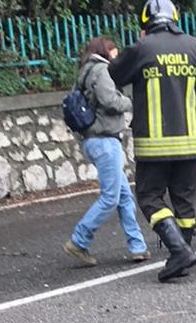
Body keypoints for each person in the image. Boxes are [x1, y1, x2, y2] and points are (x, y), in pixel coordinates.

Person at [110, 0, 196, 282]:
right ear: (175, 18)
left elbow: (114, 75)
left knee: (149, 197)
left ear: (145, 24)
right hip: (189, 144)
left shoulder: (142, 48)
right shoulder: (195, 47)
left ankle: (178, 250)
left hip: (153, 148)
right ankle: (181, 252)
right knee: (183, 200)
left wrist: (134, 49)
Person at [63, 36, 150, 267]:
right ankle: (79, 240)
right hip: (104, 140)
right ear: (105, 51)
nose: (117, 55)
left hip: (93, 140)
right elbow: (109, 100)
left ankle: (137, 246)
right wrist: (134, 102)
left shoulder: (85, 70)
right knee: (111, 197)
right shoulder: (101, 70)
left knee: (123, 196)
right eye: (114, 51)